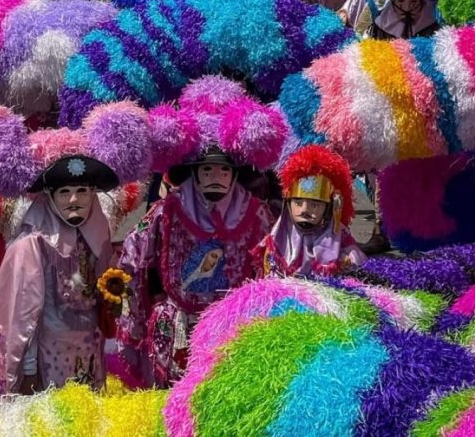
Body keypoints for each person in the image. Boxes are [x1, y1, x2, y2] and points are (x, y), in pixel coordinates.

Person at [117, 145, 273, 388]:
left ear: (234, 175)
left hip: (232, 327)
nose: (215, 177)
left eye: (223, 170)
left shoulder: (256, 213)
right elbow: (133, 260)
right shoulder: (166, 209)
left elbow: (269, 271)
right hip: (177, 327)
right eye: (207, 169)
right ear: (195, 173)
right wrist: (136, 322)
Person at [0, 154, 120, 394]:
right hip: (49, 359)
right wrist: (28, 369)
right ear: (50, 198)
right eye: (64, 192)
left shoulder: (99, 242)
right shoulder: (32, 245)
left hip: (89, 354)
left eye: (82, 191)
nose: (74, 200)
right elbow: (23, 314)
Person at [256, 145, 366, 277]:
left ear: (329, 207)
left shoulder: (341, 240)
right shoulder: (277, 240)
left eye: (314, 205)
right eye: (298, 203)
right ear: (287, 204)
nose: (304, 210)